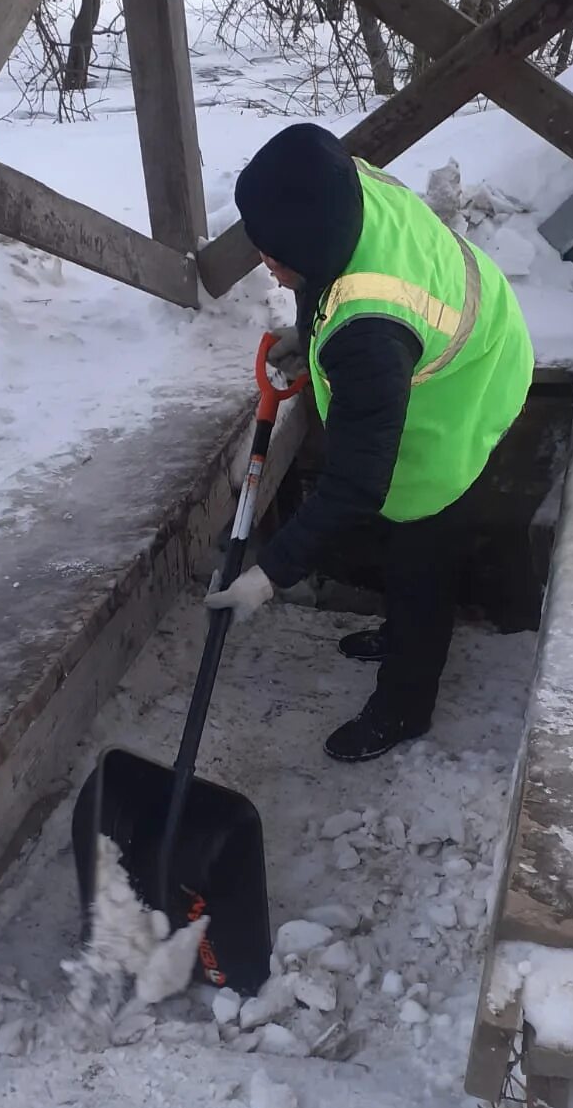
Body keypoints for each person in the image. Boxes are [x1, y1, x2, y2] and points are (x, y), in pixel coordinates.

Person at [206, 123, 534, 763]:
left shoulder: (369, 337)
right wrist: (310, 334)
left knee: (421, 546)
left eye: (276, 258)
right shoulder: (343, 188)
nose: (269, 271)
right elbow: (328, 277)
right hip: (446, 329)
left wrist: (268, 577)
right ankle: (400, 630)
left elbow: (356, 485)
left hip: (467, 382)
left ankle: (405, 705)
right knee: (400, 535)